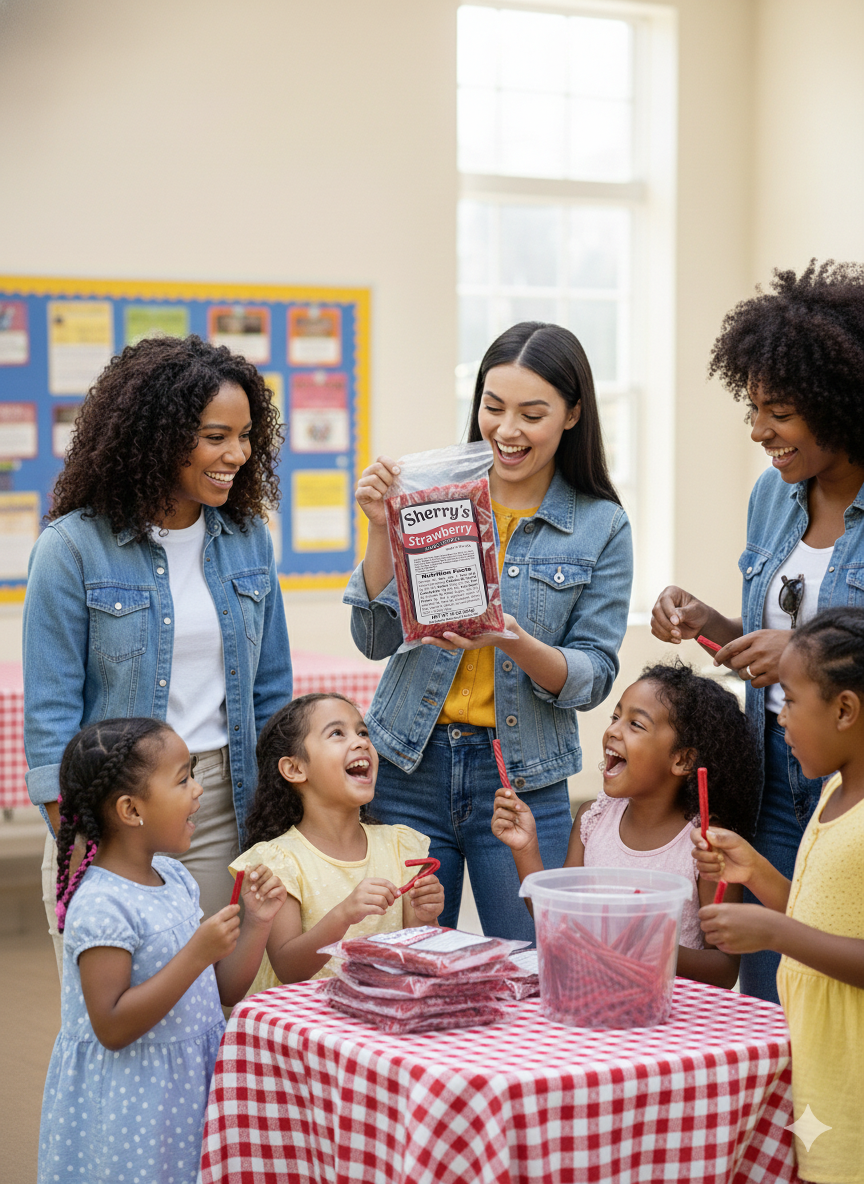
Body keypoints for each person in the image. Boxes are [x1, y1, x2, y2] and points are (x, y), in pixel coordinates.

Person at [344, 322, 632, 943]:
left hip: (522, 778)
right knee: (405, 964)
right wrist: (377, 531)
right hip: (407, 767)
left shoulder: (600, 526)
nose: (506, 431)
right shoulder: (432, 494)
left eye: (532, 413)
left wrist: (510, 639)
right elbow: (373, 639)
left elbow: (593, 677)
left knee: (534, 968)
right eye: (493, 407)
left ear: (573, 413)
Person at [23, 334, 292, 970]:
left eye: (246, 435)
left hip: (223, 802)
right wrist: (91, 845)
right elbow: (50, 720)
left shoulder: (248, 540)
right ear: (160, 436)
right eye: (215, 436)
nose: (237, 454)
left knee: (211, 1016)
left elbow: (271, 690)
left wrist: (279, 820)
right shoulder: (72, 548)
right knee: (114, 1018)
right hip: (113, 812)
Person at [650, 260, 864, 1001]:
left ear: (839, 403)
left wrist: (801, 653)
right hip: (776, 766)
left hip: (855, 783)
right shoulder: (772, 498)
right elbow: (773, 641)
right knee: (777, 992)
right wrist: (711, 624)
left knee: (840, 972)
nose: (758, 431)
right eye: (753, 408)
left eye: (777, 411)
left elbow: (808, 651)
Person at [38, 717, 287, 1184]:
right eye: (183, 779)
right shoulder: (100, 904)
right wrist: (196, 952)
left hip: (190, 1090)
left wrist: (256, 922)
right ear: (132, 810)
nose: (198, 791)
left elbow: (223, 991)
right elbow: (111, 1025)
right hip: (133, 1107)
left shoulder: (174, 878)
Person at [694, 607, 864, 1183]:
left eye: (789, 701)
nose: (779, 720)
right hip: (823, 1081)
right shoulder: (837, 790)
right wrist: (757, 872)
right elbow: (825, 918)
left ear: (845, 710)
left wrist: (771, 933)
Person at [492, 661, 759, 987]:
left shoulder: (707, 842)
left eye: (636, 724)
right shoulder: (593, 820)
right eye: (615, 717)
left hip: (676, 1024)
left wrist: (645, 949)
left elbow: (723, 968)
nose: (614, 731)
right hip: (593, 1003)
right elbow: (559, 923)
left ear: (682, 760)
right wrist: (525, 849)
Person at [230, 693, 445, 986]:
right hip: (306, 1024)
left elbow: (418, 957)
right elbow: (289, 970)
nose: (361, 742)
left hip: (377, 1016)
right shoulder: (279, 861)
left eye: (362, 732)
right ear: (294, 769)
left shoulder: (401, 847)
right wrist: (344, 914)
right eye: (337, 733)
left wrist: (426, 917)